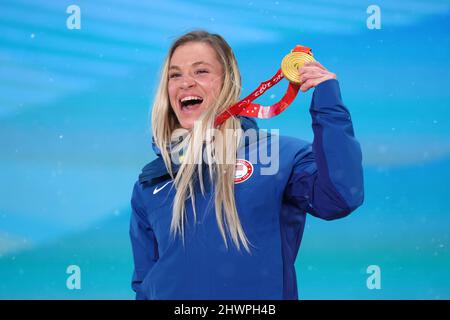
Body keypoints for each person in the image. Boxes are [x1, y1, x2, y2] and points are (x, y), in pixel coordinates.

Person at [129, 30, 364, 300]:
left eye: (201, 71)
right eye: (175, 75)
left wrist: (328, 103)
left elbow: (340, 197)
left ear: (230, 82)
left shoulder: (279, 156)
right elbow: (145, 284)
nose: (185, 83)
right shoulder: (152, 181)